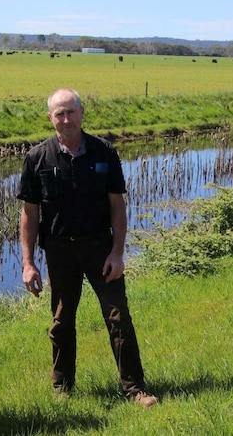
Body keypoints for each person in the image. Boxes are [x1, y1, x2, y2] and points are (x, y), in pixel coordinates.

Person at [17, 87, 157, 407]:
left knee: (118, 316)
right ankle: (62, 387)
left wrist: (118, 252)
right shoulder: (37, 158)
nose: (66, 119)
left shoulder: (104, 152)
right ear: (50, 118)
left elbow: (117, 206)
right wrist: (28, 263)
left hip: (100, 248)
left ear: (82, 113)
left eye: (71, 112)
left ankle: (135, 389)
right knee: (62, 320)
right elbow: (29, 214)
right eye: (59, 114)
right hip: (60, 251)